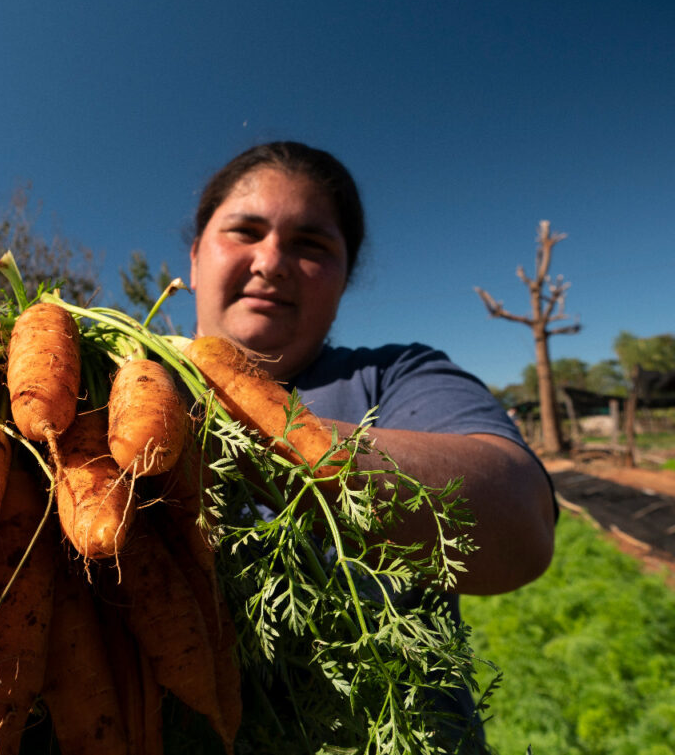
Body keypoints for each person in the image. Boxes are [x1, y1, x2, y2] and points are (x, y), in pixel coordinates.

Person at [187, 141, 556, 747]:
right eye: (245, 230)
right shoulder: (100, 384)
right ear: (196, 255)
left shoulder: (395, 376)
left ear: (345, 276)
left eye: (312, 244)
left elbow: (522, 523)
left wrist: (251, 440)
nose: (273, 261)